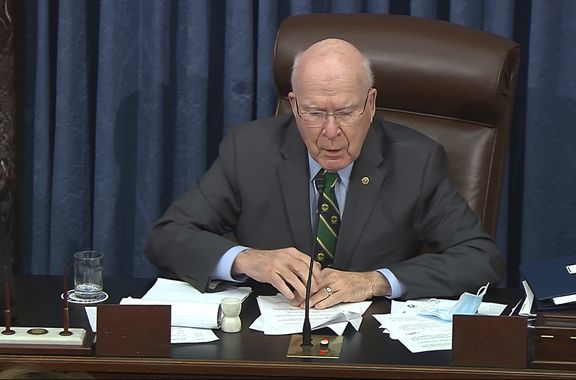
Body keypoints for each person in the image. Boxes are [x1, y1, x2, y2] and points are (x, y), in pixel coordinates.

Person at [146, 38, 504, 309]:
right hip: (265, 345)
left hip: (370, 347)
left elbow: (479, 258)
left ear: (371, 103)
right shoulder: (249, 150)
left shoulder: (415, 161)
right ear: (294, 104)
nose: (331, 132)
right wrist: (246, 259)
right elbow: (167, 236)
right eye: (315, 113)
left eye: (346, 113)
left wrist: (374, 282)